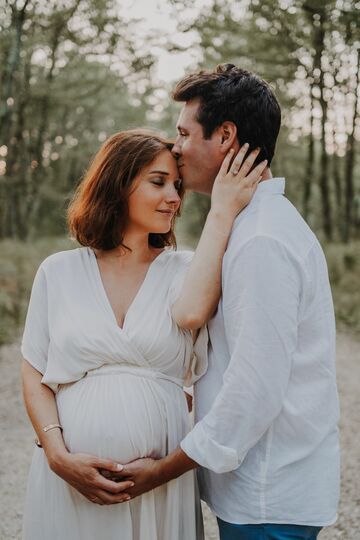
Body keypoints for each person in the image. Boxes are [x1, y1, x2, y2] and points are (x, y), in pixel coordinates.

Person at [114, 65, 341, 540]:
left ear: (225, 135)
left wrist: (163, 470)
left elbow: (254, 389)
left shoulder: (261, 240)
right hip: (256, 490)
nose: (175, 148)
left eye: (183, 132)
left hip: (267, 496)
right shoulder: (249, 225)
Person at [21, 128, 266, 540]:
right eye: (158, 182)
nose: (173, 196)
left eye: (177, 185)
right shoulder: (57, 271)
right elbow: (33, 372)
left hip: (158, 484)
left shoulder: (186, 269)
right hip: (69, 479)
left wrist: (223, 208)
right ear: (117, 182)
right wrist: (57, 456)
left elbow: (194, 319)